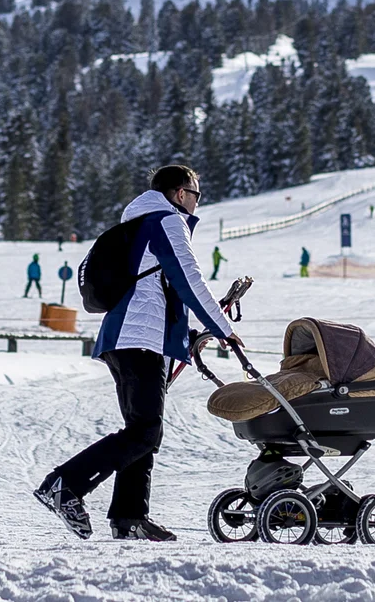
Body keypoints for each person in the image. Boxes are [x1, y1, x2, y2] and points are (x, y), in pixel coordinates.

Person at [35, 165, 239, 542]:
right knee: (145, 432)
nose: (197, 204)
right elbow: (187, 278)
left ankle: (129, 517)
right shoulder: (166, 222)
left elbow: (159, 293)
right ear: (180, 193)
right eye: (196, 195)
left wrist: (190, 334)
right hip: (138, 339)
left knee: (143, 430)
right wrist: (224, 329)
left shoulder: (142, 223)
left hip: (135, 337)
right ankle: (63, 485)